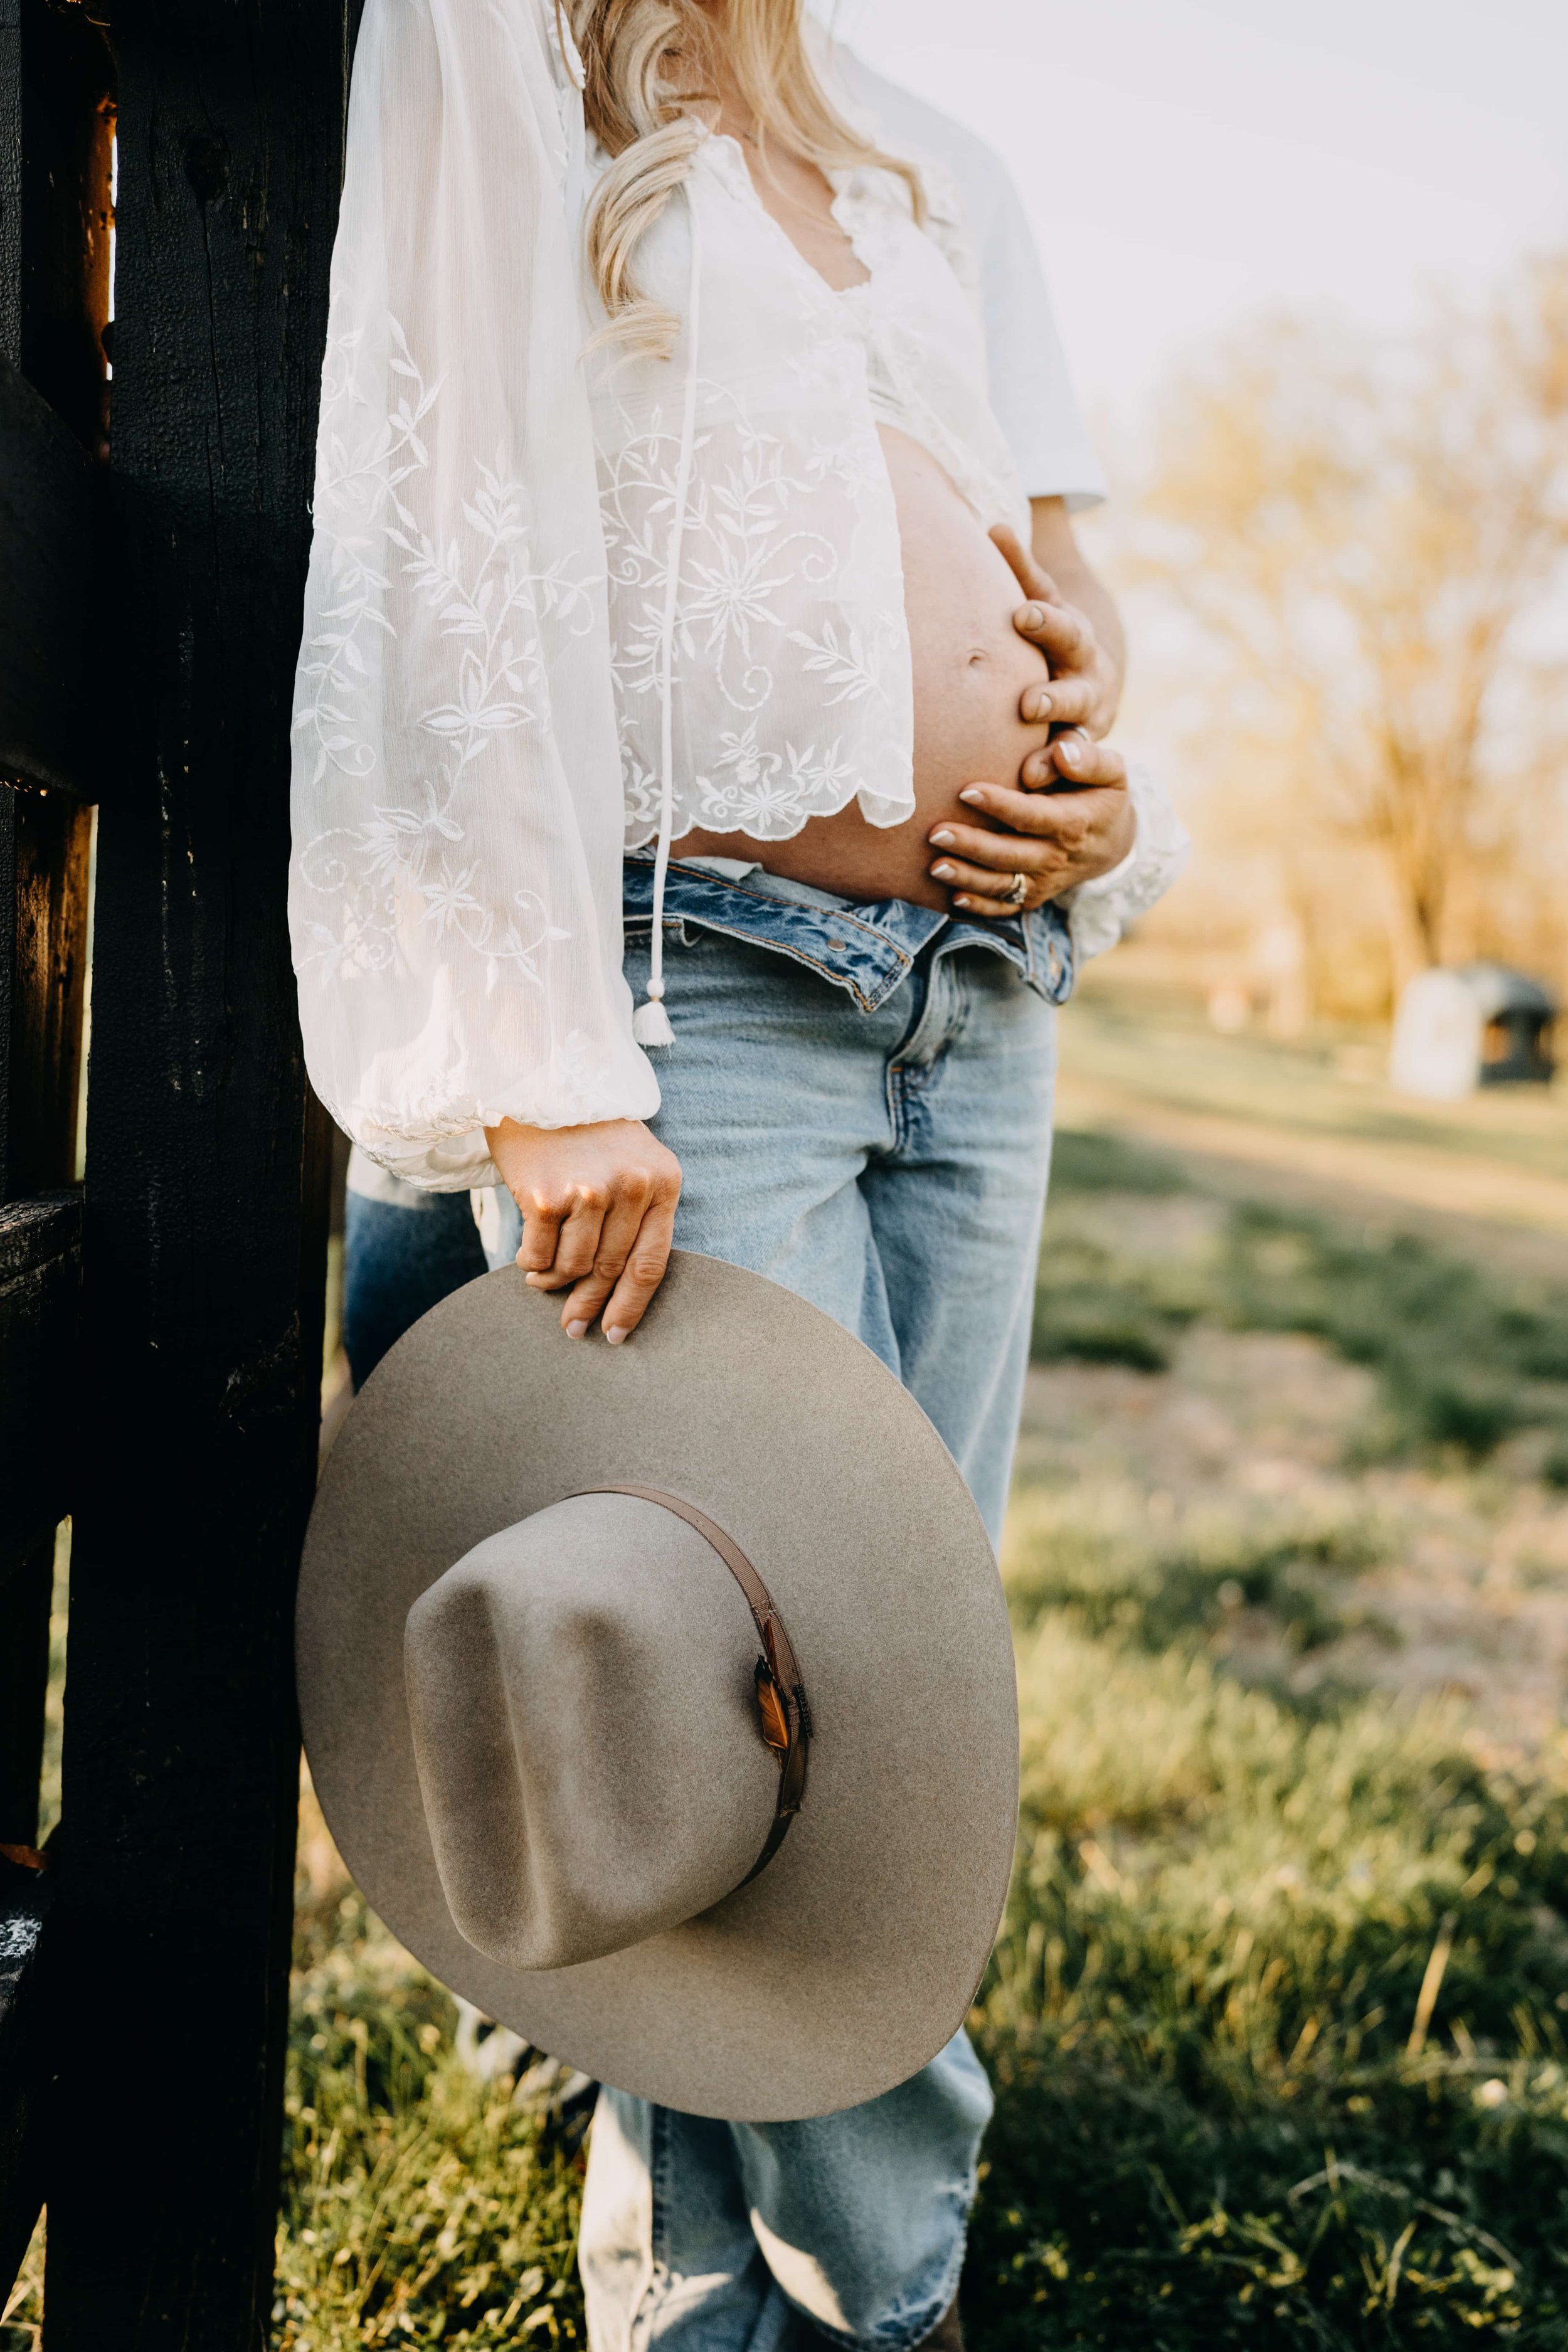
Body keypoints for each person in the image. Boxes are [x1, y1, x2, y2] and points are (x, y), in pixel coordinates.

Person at [290, 1, 1188, 2342]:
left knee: (864, 1721)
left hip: (980, 1007)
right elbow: (438, 502)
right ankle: (878, 2290)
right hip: (704, 990)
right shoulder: (506, 41)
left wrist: (1105, 794)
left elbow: (1062, 580)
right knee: (750, 1711)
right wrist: (531, 1046)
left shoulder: (924, 160)